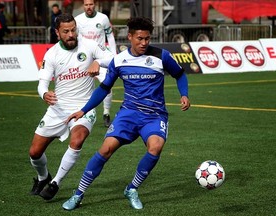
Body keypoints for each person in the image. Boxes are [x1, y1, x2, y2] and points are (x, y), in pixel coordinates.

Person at [62, 16, 190, 211]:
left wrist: (184, 94)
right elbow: (104, 88)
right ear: (130, 37)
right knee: (105, 150)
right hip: (128, 114)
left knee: (155, 147)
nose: (144, 43)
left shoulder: (161, 56)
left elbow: (180, 74)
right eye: (139, 39)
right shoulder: (119, 60)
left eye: (147, 38)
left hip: (154, 116)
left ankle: (132, 189)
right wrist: (83, 110)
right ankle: (78, 193)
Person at [29, 13, 114, 201]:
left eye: (73, 30)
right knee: (34, 153)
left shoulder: (89, 46)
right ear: (57, 33)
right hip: (58, 109)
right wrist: (44, 93)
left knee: (77, 140)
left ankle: (55, 183)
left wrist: (98, 62)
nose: (71, 34)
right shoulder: (51, 54)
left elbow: (113, 58)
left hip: (85, 107)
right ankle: (44, 178)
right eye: (66, 31)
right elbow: (42, 83)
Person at [75, 0, 117, 127]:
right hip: (84, 58)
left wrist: (114, 54)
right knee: (81, 87)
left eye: (91, 4)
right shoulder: (78, 20)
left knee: (107, 85)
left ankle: (106, 113)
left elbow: (110, 36)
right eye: (86, 5)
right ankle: (81, 113)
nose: (89, 7)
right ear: (83, 6)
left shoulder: (103, 18)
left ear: (95, 5)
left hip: (101, 57)